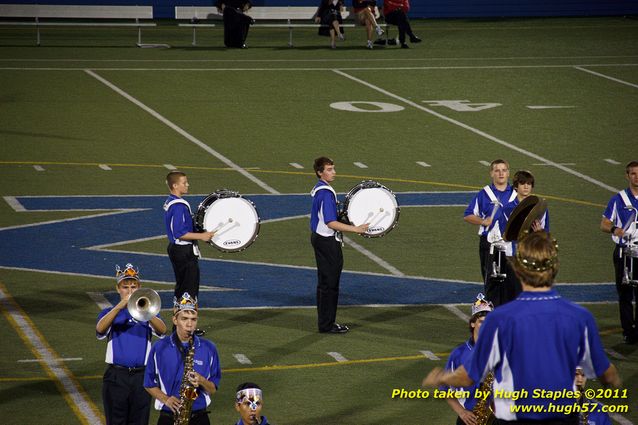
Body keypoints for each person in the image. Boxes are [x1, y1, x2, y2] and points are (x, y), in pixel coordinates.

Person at [423, 231, 622, 424]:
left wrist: (441, 376)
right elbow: (608, 375)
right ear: (555, 268)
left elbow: (467, 377)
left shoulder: (499, 319)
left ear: (517, 270)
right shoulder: (580, 317)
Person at [96, 263, 167, 425]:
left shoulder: (148, 312)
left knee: (140, 421)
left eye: (133, 287)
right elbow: (100, 329)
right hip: (116, 376)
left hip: (141, 377)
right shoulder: (109, 312)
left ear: (139, 288)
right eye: (125, 287)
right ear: (118, 288)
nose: (129, 291)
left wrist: (147, 312)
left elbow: (163, 331)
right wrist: (120, 306)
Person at [311, 157, 369, 333]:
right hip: (327, 241)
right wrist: (355, 228)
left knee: (324, 284)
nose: (333, 172)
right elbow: (330, 222)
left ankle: (324, 323)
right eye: (329, 169)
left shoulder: (319, 189)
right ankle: (327, 324)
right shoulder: (326, 193)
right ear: (320, 172)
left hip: (319, 238)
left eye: (333, 168)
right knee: (331, 285)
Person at [144, 292, 222, 425]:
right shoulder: (159, 348)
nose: (189, 324)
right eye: (184, 319)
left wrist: (202, 380)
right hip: (169, 415)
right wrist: (166, 399)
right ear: (175, 320)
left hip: (199, 416)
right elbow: (148, 383)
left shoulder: (209, 348)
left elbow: (213, 388)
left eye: (193, 319)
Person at [484, 170, 549, 306]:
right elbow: (501, 235)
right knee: (510, 297)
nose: (526, 186)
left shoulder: (540, 209)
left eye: (529, 184)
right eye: (522, 183)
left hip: (530, 257)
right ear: (516, 186)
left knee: (529, 298)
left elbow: (546, 235)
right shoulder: (507, 209)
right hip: (512, 258)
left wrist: (540, 233)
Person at [441, 294, 494, 425]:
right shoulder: (459, 354)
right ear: (472, 323)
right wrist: (461, 412)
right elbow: (444, 389)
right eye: (482, 321)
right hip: (470, 418)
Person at [600, 160, 638, 345]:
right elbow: (604, 223)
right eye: (633, 173)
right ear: (627, 176)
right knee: (625, 293)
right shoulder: (619, 199)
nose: (636, 177)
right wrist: (615, 229)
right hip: (625, 252)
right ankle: (628, 331)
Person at [164, 170, 215, 300]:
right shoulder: (178, 206)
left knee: (182, 287)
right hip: (183, 250)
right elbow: (179, 233)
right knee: (189, 290)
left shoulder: (171, 200)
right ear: (175, 185)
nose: (187, 185)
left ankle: (179, 316)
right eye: (184, 182)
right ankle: (185, 317)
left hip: (177, 249)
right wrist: (202, 236)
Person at [463, 159, 514, 282]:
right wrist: (482, 221)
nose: (501, 173)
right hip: (489, 243)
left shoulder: (516, 193)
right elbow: (468, 215)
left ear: (508, 173)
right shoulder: (484, 194)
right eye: (497, 171)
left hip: (511, 243)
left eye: (504, 170)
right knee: (491, 281)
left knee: (512, 282)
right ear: (491, 173)